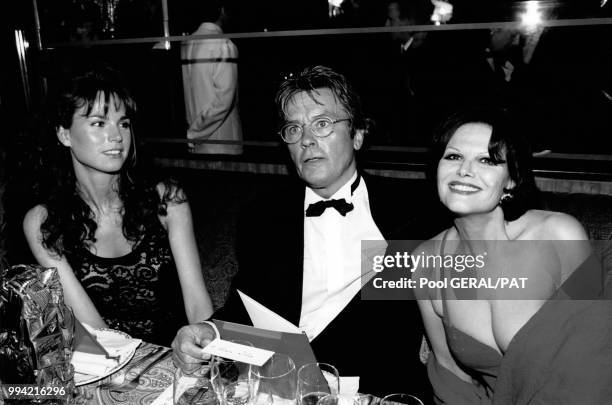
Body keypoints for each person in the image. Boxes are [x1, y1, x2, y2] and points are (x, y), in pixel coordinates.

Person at [172, 65, 432, 398]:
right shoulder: (262, 216)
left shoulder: (413, 213)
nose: (306, 139)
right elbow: (246, 307)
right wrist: (206, 330)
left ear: (357, 134)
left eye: (322, 124)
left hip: (379, 391)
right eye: (294, 129)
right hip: (281, 389)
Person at [414, 107, 612, 404]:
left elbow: (597, 356)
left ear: (512, 180)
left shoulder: (557, 234)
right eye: (453, 156)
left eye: (487, 160)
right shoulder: (424, 261)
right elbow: (449, 374)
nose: (464, 170)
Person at [23, 67, 213, 345]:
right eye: (99, 123)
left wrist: (207, 351)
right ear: (64, 135)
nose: (117, 136)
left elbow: (198, 305)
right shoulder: (43, 222)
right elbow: (95, 332)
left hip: (179, 354)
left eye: (123, 123)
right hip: (109, 364)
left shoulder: (167, 200)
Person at [181, 0, 243, 155]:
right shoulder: (223, 44)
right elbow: (224, 100)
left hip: (196, 144)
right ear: (222, 10)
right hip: (222, 142)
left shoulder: (187, 43)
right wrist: (194, 133)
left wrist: (193, 133)